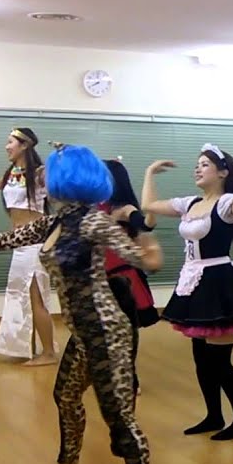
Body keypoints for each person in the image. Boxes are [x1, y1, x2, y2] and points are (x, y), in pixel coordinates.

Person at [0, 144, 163, 464]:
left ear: (67, 178)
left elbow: (136, 257)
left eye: (48, 169)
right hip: (82, 332)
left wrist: (148, 252)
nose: (41, 173)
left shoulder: (94, 223)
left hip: (107, 330)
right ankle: (68, 463)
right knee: (64, 396)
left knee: (119, 417)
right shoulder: (52, 223)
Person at [141, 143, 233, 441]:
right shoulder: (190, 203)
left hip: (219, 284)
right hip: (194, 281)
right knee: (201, 358)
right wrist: (149, 173)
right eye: (197, 164)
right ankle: (214, 415)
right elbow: (149, 206)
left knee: (220, 362)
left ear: (222, 172)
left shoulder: (226, 203)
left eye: (205, 164)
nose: (198, 168)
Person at [0, 127, 57, 365]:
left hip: (34, 243)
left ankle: (49, 354)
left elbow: (59, 189)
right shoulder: (12, 173)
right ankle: (31, 347)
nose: (6, 146)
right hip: (19, 244)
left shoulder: (42, 173)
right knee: (22, 298)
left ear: (25, 145)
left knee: (36, 299)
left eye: (10, 142)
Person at [100, 158, 159, 394]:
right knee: (104, 332)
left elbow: (146, 223)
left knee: (124, 333)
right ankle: (110, 375)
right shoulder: (94, 207)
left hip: (122, 279)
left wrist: (150, 173)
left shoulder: (122, 209)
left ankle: (129, 379)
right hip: (99, 276)